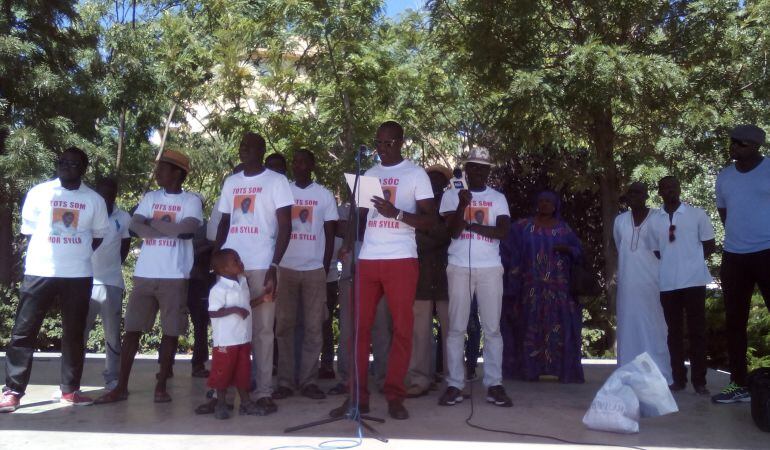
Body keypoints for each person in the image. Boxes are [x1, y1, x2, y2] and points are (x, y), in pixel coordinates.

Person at [330, 121, 436, 420]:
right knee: (358, 329)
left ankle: (394, 395)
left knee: (402, 330)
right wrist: (348, 244)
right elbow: (359, 216)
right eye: (378, 143)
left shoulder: (415, 174)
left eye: (388, 143)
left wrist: (398, 213)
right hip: (368, 258)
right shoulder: (371, 174)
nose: (382, 149)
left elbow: (431, 221)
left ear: (402, 142)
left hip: (401, 259)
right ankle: (357, 397)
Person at [0, 147, 110, 413]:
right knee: (24, 332)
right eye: (63, 162)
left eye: (74, 163)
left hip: (78, 274)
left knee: (73, 334)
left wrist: (74, 253)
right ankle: (13, 391)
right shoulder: (39, 193)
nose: (67, 166)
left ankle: (70, 391)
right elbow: (29, 231)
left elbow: (97, 236)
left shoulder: (94, 200)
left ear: (83, 168)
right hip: (40, 271)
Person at [95, 149, 203, 404]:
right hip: (144, 274)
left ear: (177, 173)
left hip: (175, 276)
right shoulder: (150, 196)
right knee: (132, 330)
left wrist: (152, 224)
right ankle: (120, 386)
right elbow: (133, 225)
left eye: (163, 168)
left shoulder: (192, 201)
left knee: (171, 332)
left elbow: (188, 230)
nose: (157, 173)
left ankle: (161, 385)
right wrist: (169, 230)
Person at [214, 132, 293, 415]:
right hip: (230, 267)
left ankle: (262, 392)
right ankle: (219, 391)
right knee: (228, 329)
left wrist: (274, 265)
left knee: (261, 330)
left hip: (261, 263)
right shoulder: (231, 182)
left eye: (249, 146)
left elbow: (286, 226)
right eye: (241, 146)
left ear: (261, 150)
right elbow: (225, 222)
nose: (243, 150)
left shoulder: (277, 181)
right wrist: (217, 258)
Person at [438, 147, 513, 407]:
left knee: (492, 328)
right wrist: (462, 204)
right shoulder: (451, 196)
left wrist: (474, 226)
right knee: (456, 327)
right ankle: (454, 385)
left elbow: (503, 232)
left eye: (483, 167)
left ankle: (494, 384)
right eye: (473, 167)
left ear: (488, 171)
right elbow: (454, 232)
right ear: (467, 170)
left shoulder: (498, 198)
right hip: (459, 266)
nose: (478, 171)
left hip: (490, 268)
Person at [273, 149, 338, 400]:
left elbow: (330, 233)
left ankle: (309, 380)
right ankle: (286, 382)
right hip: (286, 268)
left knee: (314, 327)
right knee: (285, 326)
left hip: (314, 270)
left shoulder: (323, 195)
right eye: (295, 161)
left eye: (303, 161)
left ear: (312, 164)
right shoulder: (283, 191)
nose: (298, 165)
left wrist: (323, 265)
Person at [712, 125, 770, 404]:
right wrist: (741, 238)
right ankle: (738, 383)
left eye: (740, 143)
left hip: (767, 252)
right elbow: (726, 214)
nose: (733, 147)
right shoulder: (724, 177)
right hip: (734, 256)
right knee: (735, 321)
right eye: (732, 142)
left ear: (756, 146)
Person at [506, 190, 584, 383]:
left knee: (559, 328)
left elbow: (579, 251)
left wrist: (567, 249)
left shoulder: (564, 229)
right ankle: (529, 370)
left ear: (556, 204)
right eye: (541, 201)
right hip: (530, 289)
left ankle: (562, 371)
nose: (545, 204)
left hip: (558, 290)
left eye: (549, 201)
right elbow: (508, 247)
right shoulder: (523, 227)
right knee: (530, 327)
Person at [647, 176, 715, 395]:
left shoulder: (697, 214)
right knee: (673, 333)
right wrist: (674, 262)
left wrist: (690, 263)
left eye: (672, 186)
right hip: (668, 283)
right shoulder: (655, 219)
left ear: (679, 188)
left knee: (697, 332)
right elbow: (657, 250)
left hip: (694, 281)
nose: (669, 191)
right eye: (664, 188)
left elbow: (709, 245)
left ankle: (699, 381)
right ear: (659, 192)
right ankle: (678, 379)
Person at [613, 182, 672, 383]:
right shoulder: (620, 221)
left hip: (653, 283)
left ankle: (658, 373)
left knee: (654, 326)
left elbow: (666, 249)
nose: (634, 197)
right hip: (627, 285)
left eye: (638, 193)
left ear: (646, 196)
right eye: (630, 193)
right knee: (628, 325)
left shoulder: (659, 218)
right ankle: (628, 371)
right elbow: (618, 246)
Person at [404, 165, 452, 398]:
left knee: (452, 330)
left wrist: (429, 232)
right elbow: (414, 238)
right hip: (420, 277)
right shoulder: (414, 206)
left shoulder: (452, 205)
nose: (434, 184)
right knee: (419, 331)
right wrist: (438, 233)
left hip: (447, 277)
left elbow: (452, 234)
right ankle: (419, 378)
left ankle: (453, 379)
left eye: (438, 180)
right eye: (429, 180)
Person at [84, 177, 132, 391]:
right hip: (84, 281)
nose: (107, 195)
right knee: (78, 333)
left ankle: (112, 377)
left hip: (112, 282)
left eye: (111, 191)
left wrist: (111, 269)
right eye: (103, 191)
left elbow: (125, 248)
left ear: (115, 192)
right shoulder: (88, 213)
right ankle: (70, 379)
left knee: (112, 335)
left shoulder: (123, 217)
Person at [205, 249, 263, 419]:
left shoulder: (243, 281)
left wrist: (263, 299)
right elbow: (213, 312)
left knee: (243, 372)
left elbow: (247, 304)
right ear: (223, 270)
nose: (240, 262)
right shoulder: (219, 289)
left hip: (243, 338)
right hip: (226, 340)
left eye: (238, 258)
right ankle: (221, 404)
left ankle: (246, 403)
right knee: (222, 372)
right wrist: (235, 310)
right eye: (235, 261)